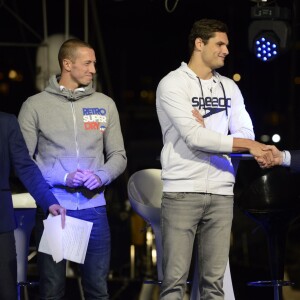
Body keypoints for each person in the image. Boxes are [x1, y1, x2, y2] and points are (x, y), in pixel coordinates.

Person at [156, 18, 273, 300]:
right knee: (174, 283)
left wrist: (211, 134)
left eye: (227, 45)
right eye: (220, 44)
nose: (226, 51)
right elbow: (195, 138)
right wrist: (242, 143)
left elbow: (245, 130)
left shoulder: (229, 88)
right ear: (199, 44)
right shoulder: (172, 84)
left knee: (214, 285)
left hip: (221, 191)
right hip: (182, 191)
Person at [18, 38, 127, 300]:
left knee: (98, 290)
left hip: (94, 210)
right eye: (87, 63)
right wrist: (64, 176)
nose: (93, 69)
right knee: (53, 291)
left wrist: (101, 175)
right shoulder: (35, 106)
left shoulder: (105, 104)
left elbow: (118, 155)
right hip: (57, 210)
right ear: (67, 64)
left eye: (94, 64)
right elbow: (24, 162)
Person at [0, 111, 66, 300]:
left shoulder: (6, 122)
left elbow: (25, 166)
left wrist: (49, 201)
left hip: (1, 225)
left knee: (6, 293)